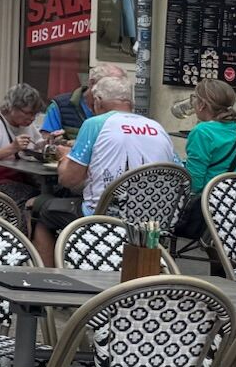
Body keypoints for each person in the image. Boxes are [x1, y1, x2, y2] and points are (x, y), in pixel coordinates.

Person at [32, 68, 174, 262]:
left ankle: (51, 277)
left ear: (98, 101)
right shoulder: (157, 128)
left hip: (103, 215)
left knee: (40, 209)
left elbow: (68, 179)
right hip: (152, 219)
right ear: (130, 102)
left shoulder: (95, 124)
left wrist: (66, 157)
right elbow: (177, 170)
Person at [177, 78, 236, 242]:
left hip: (212, 205)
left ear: (201, 105)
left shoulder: (202, 132)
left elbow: (196, 183)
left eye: (195, 99)